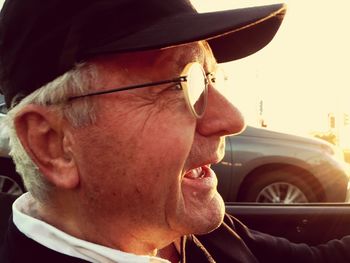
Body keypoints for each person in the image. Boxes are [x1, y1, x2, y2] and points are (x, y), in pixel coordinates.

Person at [0, 0, 297, 262]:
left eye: (209, 78)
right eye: (176, 85)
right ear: (52, 144)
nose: (233, 119)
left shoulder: (185, 231)